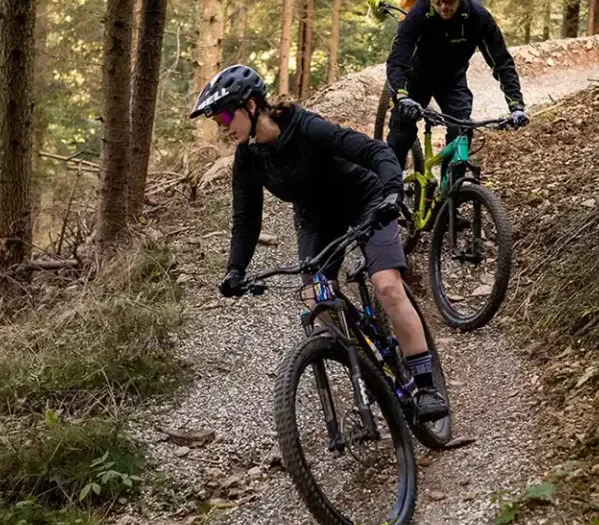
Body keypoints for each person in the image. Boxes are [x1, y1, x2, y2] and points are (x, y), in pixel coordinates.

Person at [191, 64, 450, 422]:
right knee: (317, 299)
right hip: (316, 219)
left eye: (223, 114)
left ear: (250, 106)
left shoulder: (306, 127)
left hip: (367, 200)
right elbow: (246, 218)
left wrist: (392, 195)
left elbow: (376, 153)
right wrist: (235, 269)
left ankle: (426, 387)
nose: (221, 125)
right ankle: (365, 369)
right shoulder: (248, 158)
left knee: (386, 286)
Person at [384, 0, 529, 172]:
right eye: (438, 1)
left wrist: (516, 105)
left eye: (449, 0)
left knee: (462, 131)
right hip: (415, 80)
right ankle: (389, 192)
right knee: (400, 132)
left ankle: (451, 194)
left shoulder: (478, 18)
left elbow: (502, 62)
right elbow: (397, 60)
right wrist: (402, 95)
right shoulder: (418, 15)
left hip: (452, 81)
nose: (444, 7)